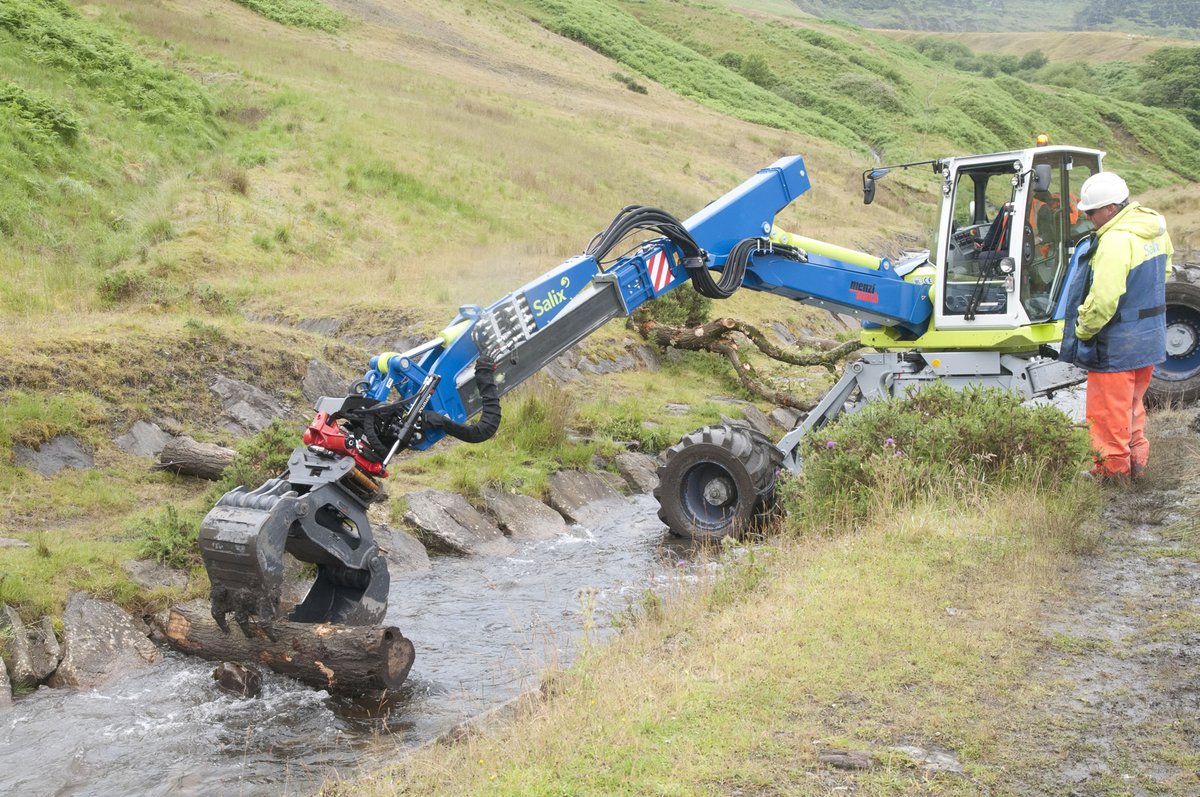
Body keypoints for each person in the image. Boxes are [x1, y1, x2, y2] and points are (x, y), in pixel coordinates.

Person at [1062, 171, 1173, 484]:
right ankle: (1136, 463)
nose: (1088, 217)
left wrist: (1083, 331)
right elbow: (1163, 273)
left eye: (1092, 212)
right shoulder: (1154, 230)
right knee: (1133, 407)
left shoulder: (1114, 239)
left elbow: (1103, 301)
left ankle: (1111, 475)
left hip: (1117, 343)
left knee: (1108, 413)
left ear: (1110, 208)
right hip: (1149, 339)